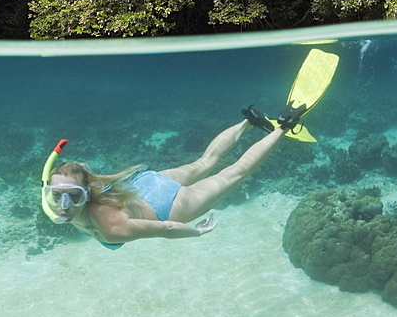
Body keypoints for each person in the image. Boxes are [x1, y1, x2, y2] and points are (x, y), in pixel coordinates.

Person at [43, 107, 298, 249]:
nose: (63, 205)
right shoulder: (58, 196)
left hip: (167, 206)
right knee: (204, 162)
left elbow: (165, 229)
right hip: (145, 184)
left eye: (74, 196)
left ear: (87, 193)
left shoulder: (110, 229)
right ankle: (249, 122)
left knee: (236, 172)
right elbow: (66, 182)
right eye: (58, 195)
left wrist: (196, 232)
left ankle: (284, 126)